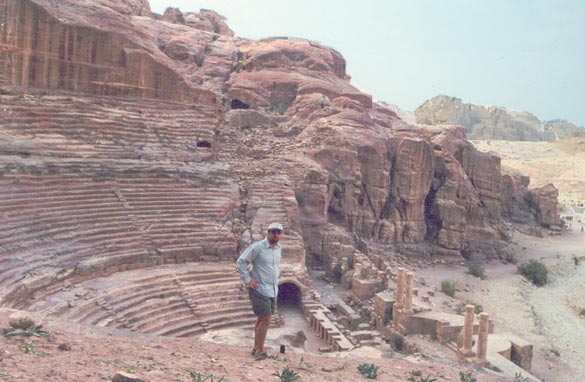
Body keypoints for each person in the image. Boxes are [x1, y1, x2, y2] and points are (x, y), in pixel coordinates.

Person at [236, 222, 283, 359]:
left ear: (281, 234)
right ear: (268, 232)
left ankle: (256, 348)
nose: (276, 234)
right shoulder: (257, 247)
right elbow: (241, 262)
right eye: (273, 232)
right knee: (267, 319)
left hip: (273, 288)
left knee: (262, 318)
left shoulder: (278, 248)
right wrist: (248, 280)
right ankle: (260, 351)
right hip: (260, 288)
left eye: (278, 232)